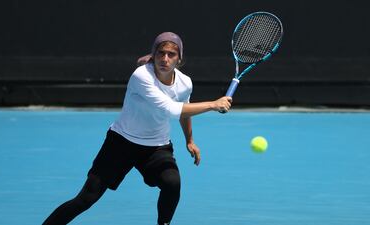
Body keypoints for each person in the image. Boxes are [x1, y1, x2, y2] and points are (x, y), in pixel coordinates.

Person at [42, 32, 232, 225]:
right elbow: (170, 109)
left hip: (156, 147)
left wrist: (189, 140)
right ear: (154, 54)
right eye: (161, 53)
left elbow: (184, 111)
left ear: (179, 59)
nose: (165, 59)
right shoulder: (141, 76)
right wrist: (213, 104)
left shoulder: (185, 83)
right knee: (85, 199)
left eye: (171, 54)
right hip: (121, 143)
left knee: (172, 183)